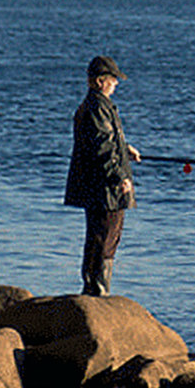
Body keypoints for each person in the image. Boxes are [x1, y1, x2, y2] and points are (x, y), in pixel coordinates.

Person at [64, 55, 141, 296]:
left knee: (102, 237)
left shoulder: (97, 105)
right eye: (113, 80)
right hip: (104, 189)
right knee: (104, 238)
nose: (116, 84)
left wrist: (125, 148)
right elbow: (103, 149)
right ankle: (97, 290)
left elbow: (106, 141)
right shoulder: (97, 106)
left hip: (99, 187)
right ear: (99, 81)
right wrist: (120, 177)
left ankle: (95, 288)